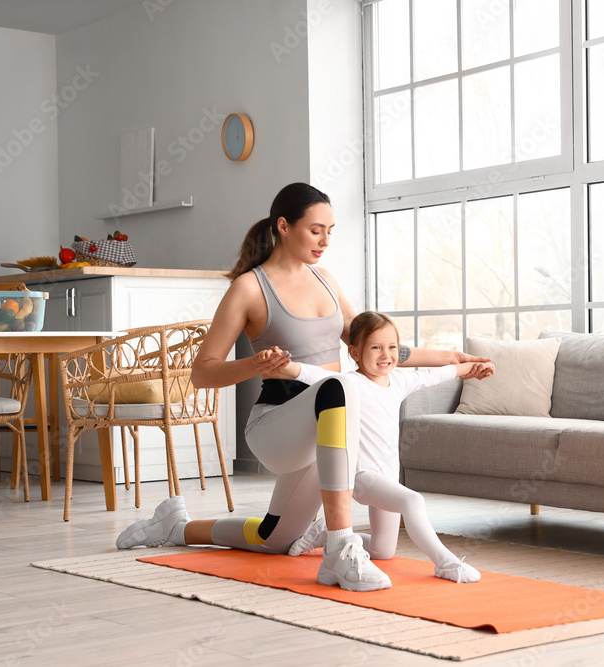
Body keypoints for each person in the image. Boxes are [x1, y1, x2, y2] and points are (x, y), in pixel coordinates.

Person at [114, 182, 488, 593]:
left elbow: (373, 347)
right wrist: (255, 363)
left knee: (275, 538)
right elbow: (202, 373)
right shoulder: (250, 287)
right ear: (284, 226)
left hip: (328, 435)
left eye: (330, 230)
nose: (325, 240)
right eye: (315, 230)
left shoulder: (324, 279)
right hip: (278, 426)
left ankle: (176, 527)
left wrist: (452, 358)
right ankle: (339, 549)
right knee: (342, 387)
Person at [282, 311, 494, 583]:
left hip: (387, 476)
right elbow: (312, 373)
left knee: (383, 551)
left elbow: (435, 375)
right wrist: (286, 368)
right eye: (376, 347)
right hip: (361, 476)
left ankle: (326, 534)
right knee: (413, 500)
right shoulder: (349, 383)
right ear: (355, 353)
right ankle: (445, 562)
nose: (386, 355)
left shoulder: (399, 381)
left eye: (392, 347)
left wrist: (473, 368)